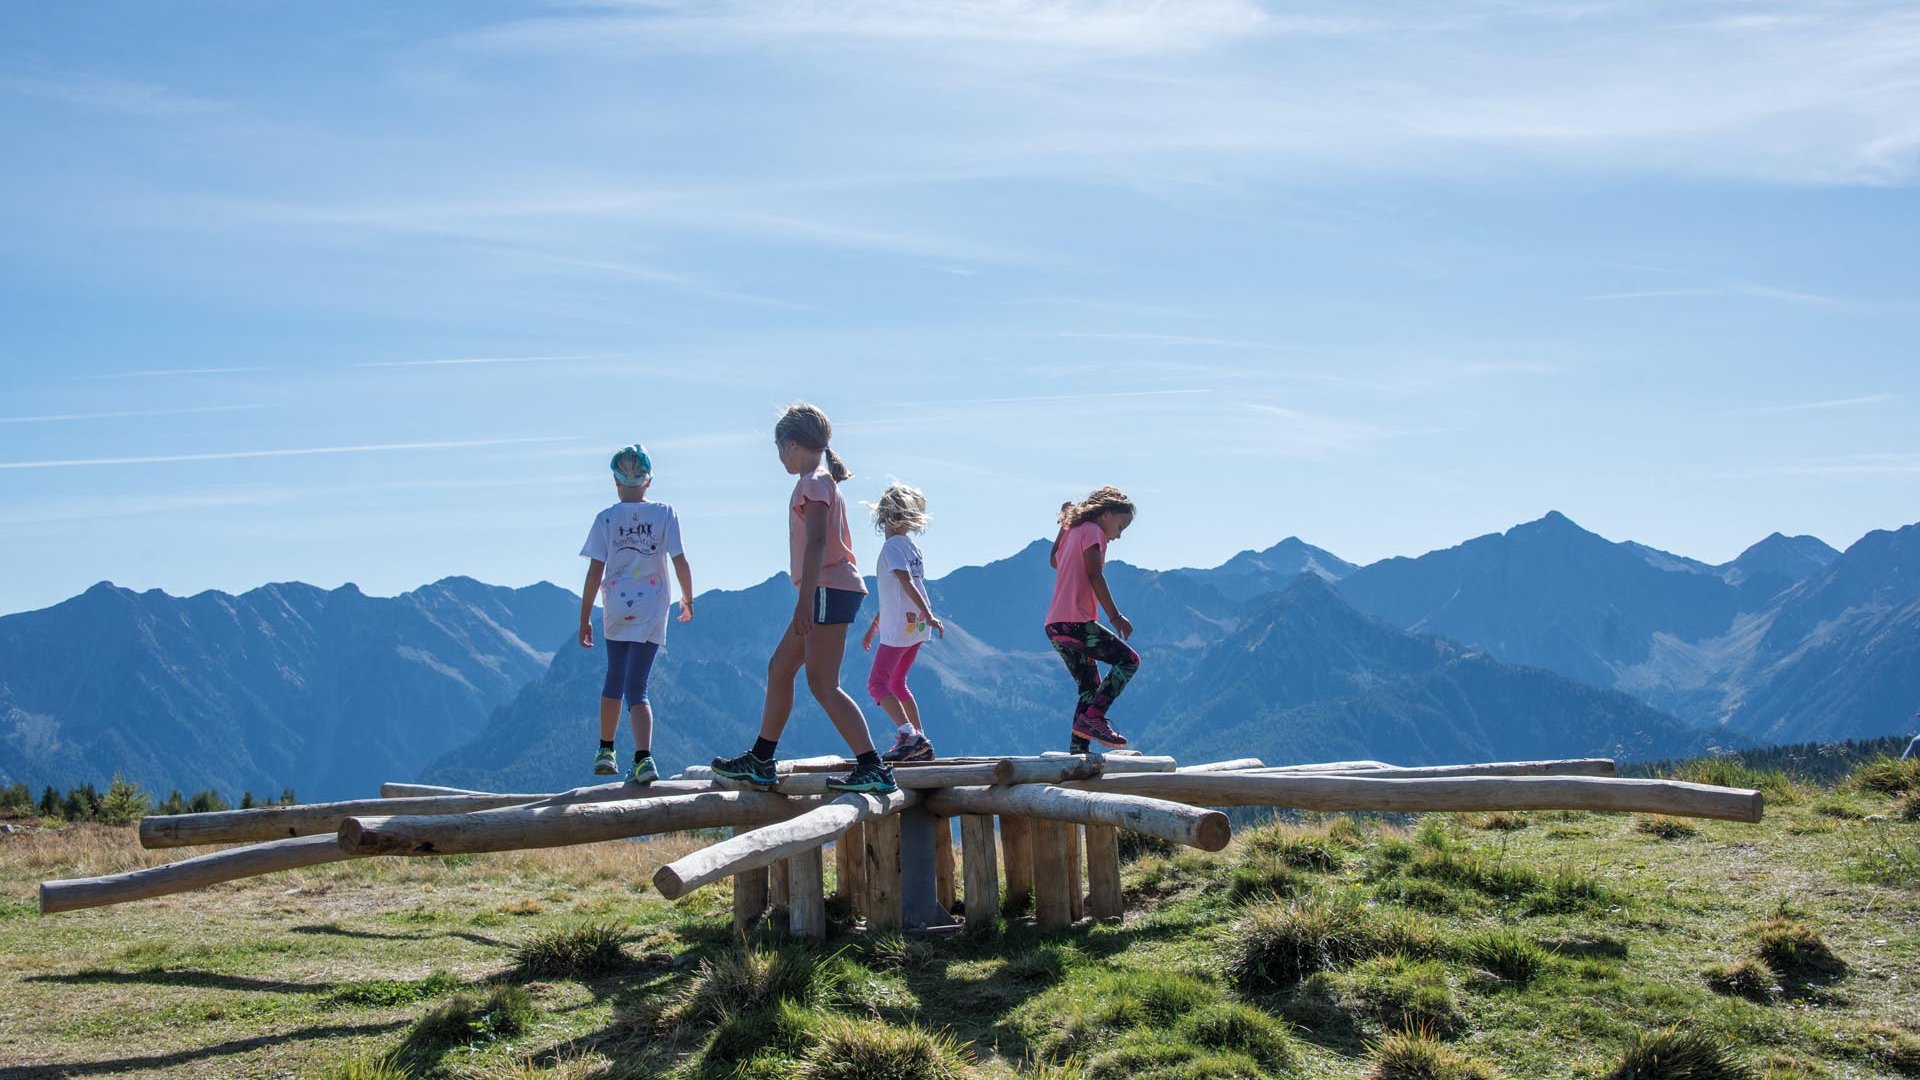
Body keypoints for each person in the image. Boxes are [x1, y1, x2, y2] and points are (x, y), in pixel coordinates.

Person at [712, 404, 896, 793]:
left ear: (792, 444)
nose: (780, 457)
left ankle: (872, 766)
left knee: (822, 682)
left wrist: (804, 601)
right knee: (780, 667)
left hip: (827, 589)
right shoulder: (820, 480)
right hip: (828, 589)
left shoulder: (813, 482)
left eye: (780, 449)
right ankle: (761, 759)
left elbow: (816, 542)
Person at [578, 445, 693, 784]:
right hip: (653, 605)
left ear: (615, 481)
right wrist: (688, 598)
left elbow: (593, 573)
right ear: (649, 481)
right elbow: (680, 560)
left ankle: (605, 749)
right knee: (637, 687)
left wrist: (584, 617)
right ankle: (644, 759)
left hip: (615, 605)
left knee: (614, 677)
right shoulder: (665, 514)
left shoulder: (606, 519)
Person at [1046, 487, 1139, 753]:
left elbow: (1054, 560)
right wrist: (1115, 616)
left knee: (1089, 687)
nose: (1119, 535)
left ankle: (1078, 752)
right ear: (1106, 514)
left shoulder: (1074, 531)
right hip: (1075, 622)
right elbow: (1095, 575)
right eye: (1120, 526)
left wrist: (1064, 526)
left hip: (1055, 625)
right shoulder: (1093, 531)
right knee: (1129, 661)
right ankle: (1094, 718)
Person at [862, 482, 944, 763]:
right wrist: (876, 623)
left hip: (900, 628)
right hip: (915, 627)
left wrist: (930, 615)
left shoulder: (892, 548)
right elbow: (898, 593)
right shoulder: (911, 548)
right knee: (898, 682)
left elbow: (905, 582)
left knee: (877, 684)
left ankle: (910, 736)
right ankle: (921, 740)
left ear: (883, 516)